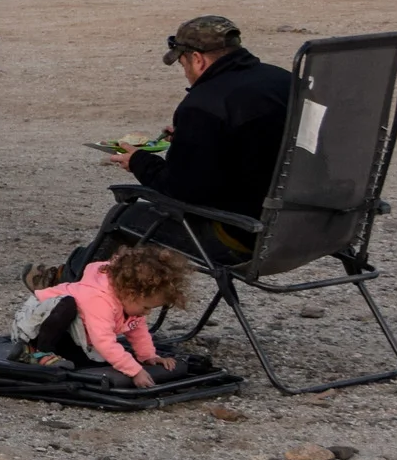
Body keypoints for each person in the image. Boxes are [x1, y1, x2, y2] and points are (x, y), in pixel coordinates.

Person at [31, 15, 292, 282]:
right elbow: (258, 143)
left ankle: (69, 285)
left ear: (197, 59)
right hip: (302, 231)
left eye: (183, 64)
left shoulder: (204, 104)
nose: (187, 72)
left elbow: (182, 189)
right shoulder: (284, 81)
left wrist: (139, 162)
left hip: (241, 236)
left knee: (125, 216)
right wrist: (196, 139)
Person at [15, 244, 189, 388]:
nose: (147, 312)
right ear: (129, 293)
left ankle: (51, 354)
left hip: (70, 335)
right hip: (34, 326)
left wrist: (148, 356)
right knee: (67, 306)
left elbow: (138, 329)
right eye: (146, 307)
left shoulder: (130, 300)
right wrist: (134, 371)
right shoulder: (99, 299)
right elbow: (103, 340)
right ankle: (37, 352)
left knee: (93, 363)